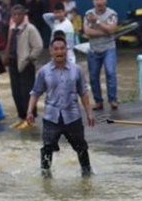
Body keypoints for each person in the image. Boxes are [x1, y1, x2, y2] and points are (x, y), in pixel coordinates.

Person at [27, 35, 95, 178]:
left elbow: (83, 93)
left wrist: (89, 113)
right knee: (47, 150)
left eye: (62, 48)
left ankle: (87, 176)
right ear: (51, 51)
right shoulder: (44, 72)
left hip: (73, 117)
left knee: (81, 148)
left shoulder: (76, 70)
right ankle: (46, 179)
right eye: (56, 49)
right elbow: (35, 92)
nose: (59, 52)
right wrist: (29, 111)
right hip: (51, 118)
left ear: (67, 50)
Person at [4, 4, 44, 129]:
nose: (16, 17)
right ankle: (21, 117)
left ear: (23, 15)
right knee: (16, 92)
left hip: (25, 65)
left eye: (19, 14)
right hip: (13, 64)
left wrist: (29, 59)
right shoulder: (13, 29)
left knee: (27, 92)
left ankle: (30, 118)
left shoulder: (30, 28)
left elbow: (38, 46)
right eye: (14, 14)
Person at [83, 0, 119, 111]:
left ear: (106, 0)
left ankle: (112, 100)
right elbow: (87, 32)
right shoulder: (88, 14)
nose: (99, 1)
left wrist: (97, 22)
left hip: (109, 48)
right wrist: (104, 32)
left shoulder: (112, 13)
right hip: (94, 49)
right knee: (93, 76)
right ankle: (98, 101)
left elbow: (112, 29)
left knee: (110, 72)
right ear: (93, 1)